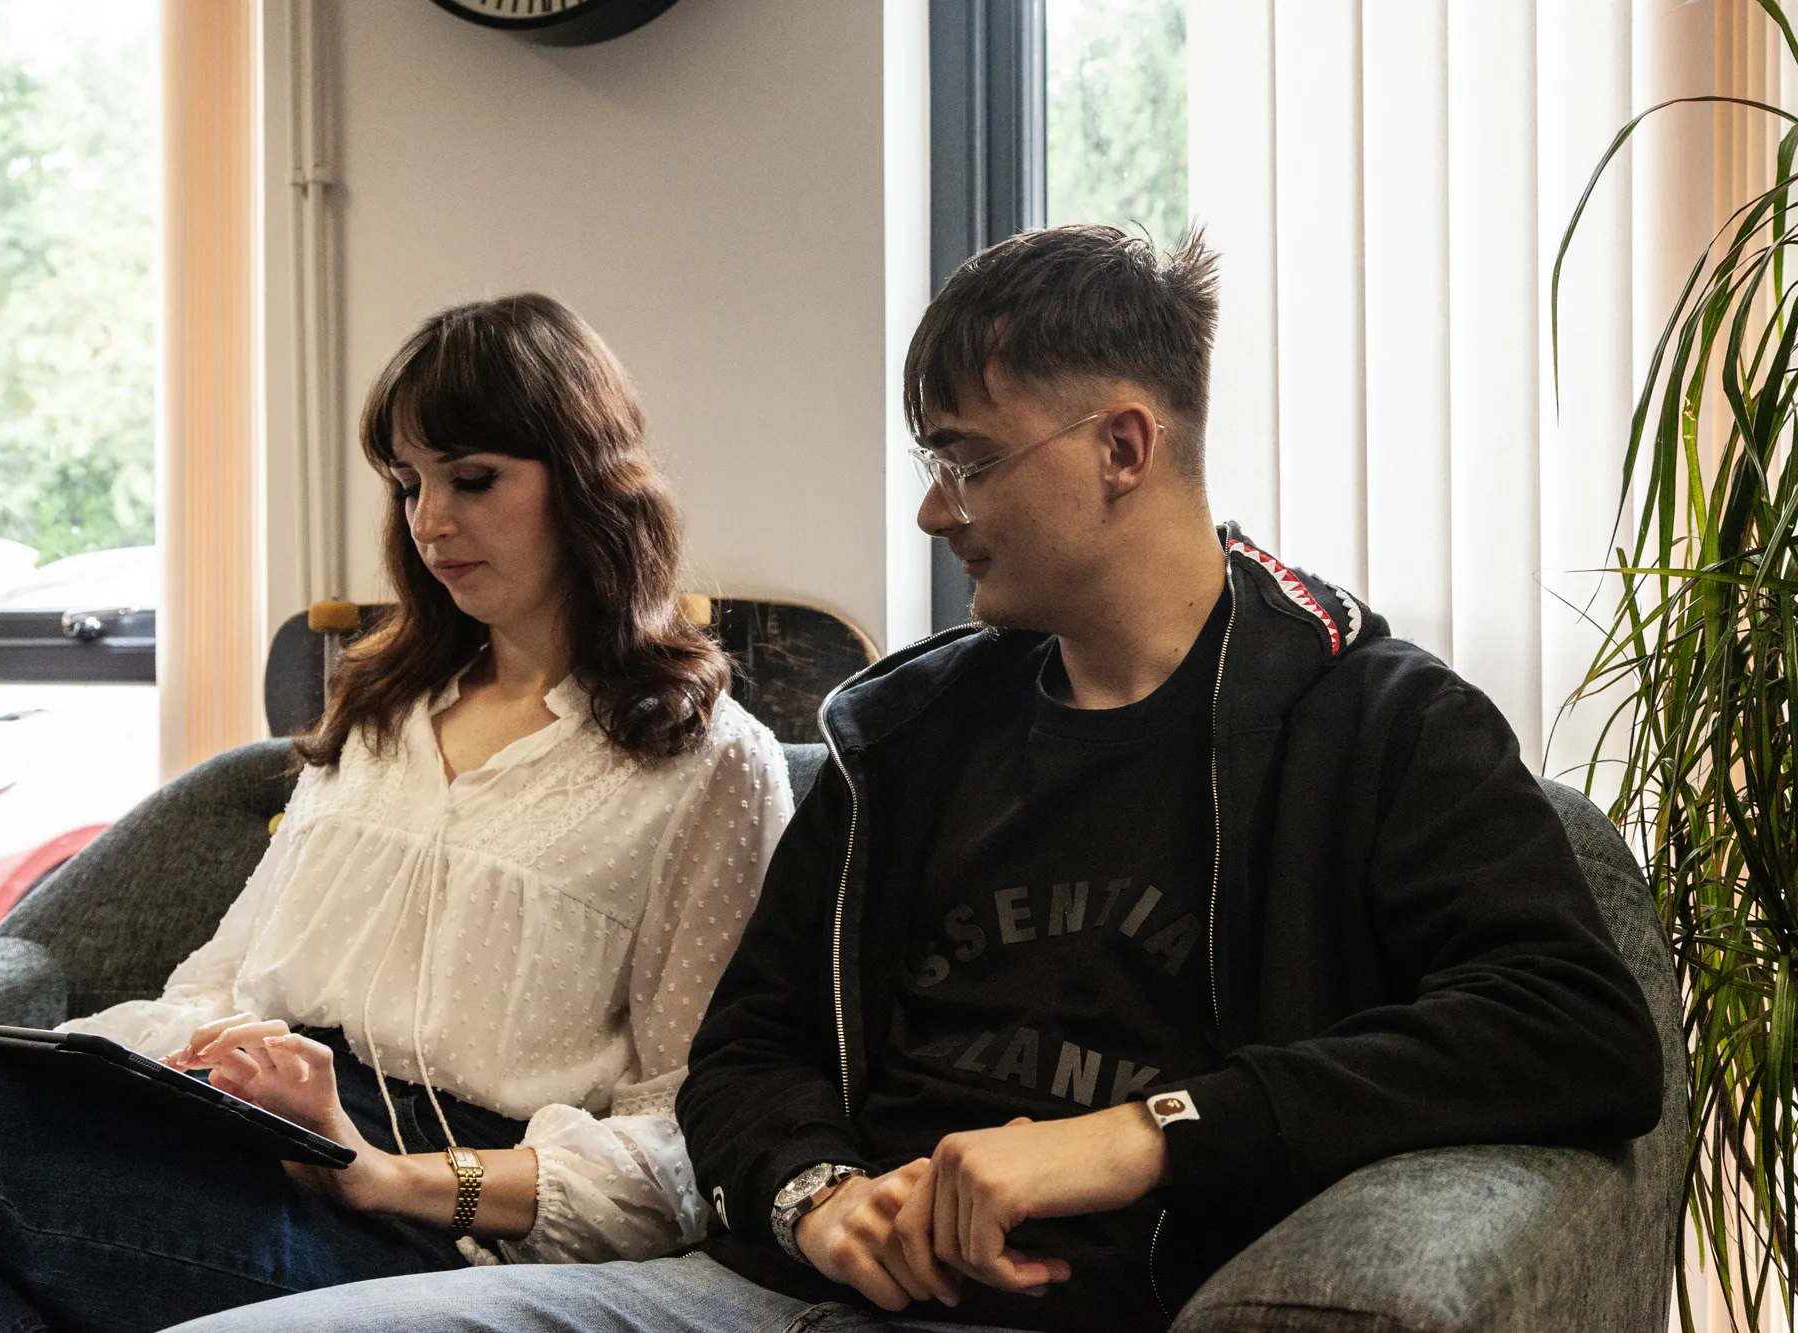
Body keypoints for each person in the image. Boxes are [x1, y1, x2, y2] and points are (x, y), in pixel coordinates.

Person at [165, 224, 1665, 1333]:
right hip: (764, 1291)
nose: (937, 507)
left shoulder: (1373, 722)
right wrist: (818, 1197)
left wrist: (1146, 1134)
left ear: (1124, 446)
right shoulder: (912, 735)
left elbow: (1577, 1029)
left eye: (966, 458)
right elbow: (739, 1062)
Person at [0, 294, 792, 1333]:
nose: (429, 520)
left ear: (588, 476)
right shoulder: (381, 714)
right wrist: (20, 1068)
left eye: (472, 478)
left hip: (423, 1214)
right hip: (228, 1136)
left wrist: (386, 1175)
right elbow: (218, 985)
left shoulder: (709, 763)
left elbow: (692, 1143)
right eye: (407, 484)